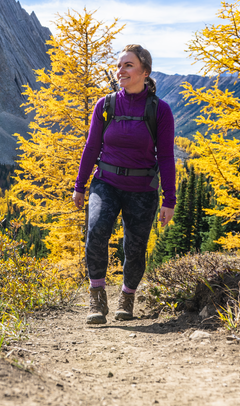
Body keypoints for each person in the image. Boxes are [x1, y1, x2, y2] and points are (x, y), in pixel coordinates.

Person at [72, 44, 176, 324]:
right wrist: (80, 185)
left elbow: (166, 156)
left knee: (135, 247)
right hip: (106, 182)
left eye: (128, 65)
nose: (121, 71)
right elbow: (92, 147)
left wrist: (170, 200)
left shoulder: (160, 110)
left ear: (144, 71)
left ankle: (127, 297)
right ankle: (97, 297)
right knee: (96, 232)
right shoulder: (105, 105)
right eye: (119, 66)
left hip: (143, 190)